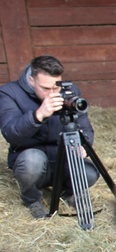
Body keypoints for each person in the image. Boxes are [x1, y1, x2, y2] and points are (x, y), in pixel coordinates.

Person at [0, 55, 99, 219]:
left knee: (89, 172)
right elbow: (11, 133)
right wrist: (38, 115)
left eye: (56, 87)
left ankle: (68, 193)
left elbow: (86, 129)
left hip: (62, 158)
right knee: (32, 161)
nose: (52, 93)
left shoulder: (69, 91)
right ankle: (32, 199)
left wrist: (83, 147)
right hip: (32, 159)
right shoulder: (9, 93)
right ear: (31, 80)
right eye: (45, 88)